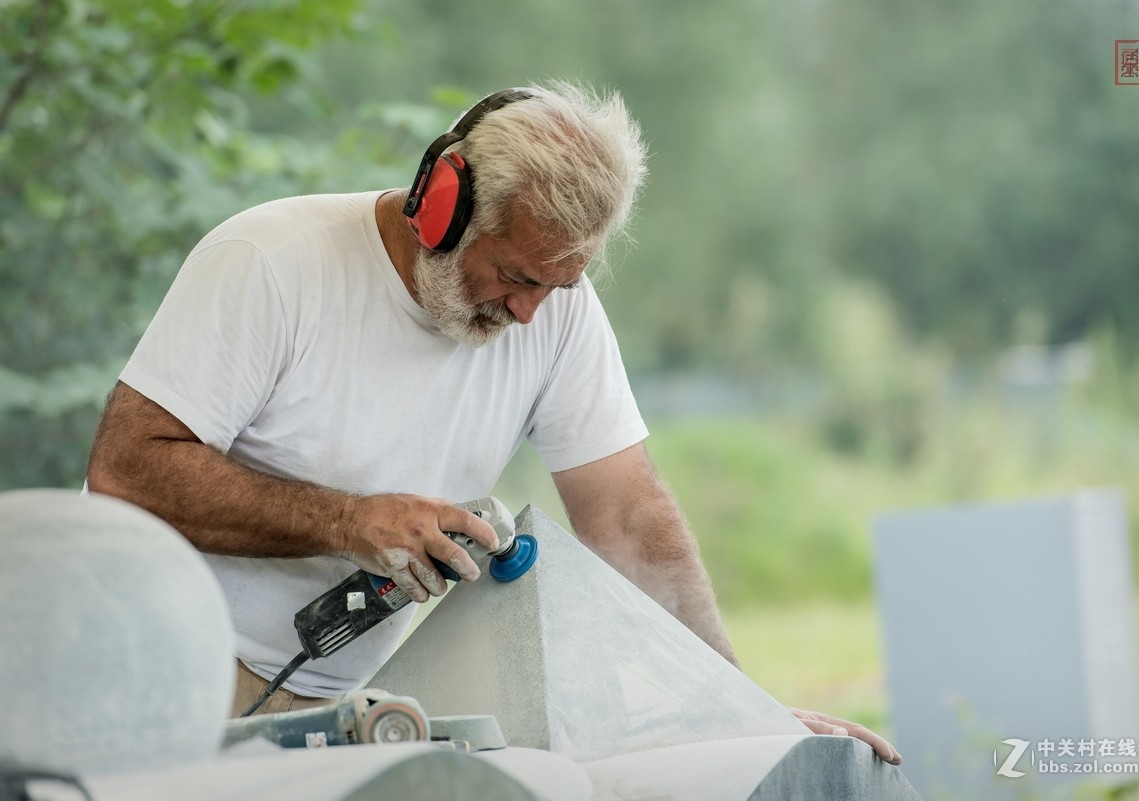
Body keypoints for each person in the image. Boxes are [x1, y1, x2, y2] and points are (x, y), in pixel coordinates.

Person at [85, 81, 900, 764]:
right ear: (437, 204)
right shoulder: (271, 263)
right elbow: (126, 473)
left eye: (558, 286)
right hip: (154, 667)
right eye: (514, 275)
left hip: (337, 706)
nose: (527, 312)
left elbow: (627, 517)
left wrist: (746, 716)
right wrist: (350, 520)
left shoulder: (555, 315)